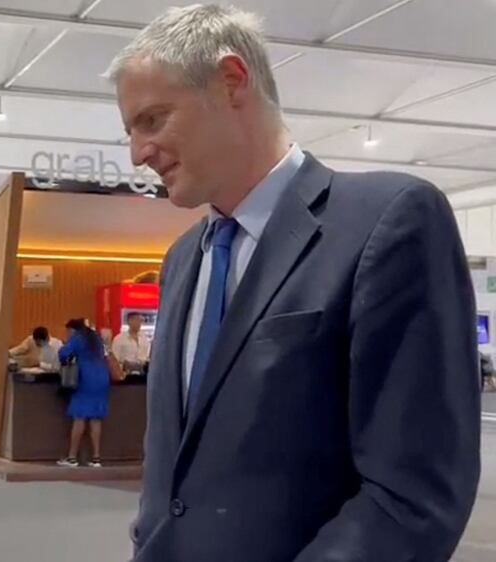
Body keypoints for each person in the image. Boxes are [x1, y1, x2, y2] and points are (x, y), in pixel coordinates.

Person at [108, 5, 479, 561]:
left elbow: (411, 495)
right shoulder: (184, 259)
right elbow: (174, 469)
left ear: (231, 81)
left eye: (153, 120)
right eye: (130, 131)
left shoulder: (387, 221)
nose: (138, 154)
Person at [57, 319, 110, 468]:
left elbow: (63, 354)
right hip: (102, 377)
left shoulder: (77, 339)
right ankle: (96, 458)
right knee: (95, 418)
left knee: (79, 417)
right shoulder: (96, 338)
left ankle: (72, 457)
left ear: (73, 330)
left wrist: (66, 344)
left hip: (85, 378)